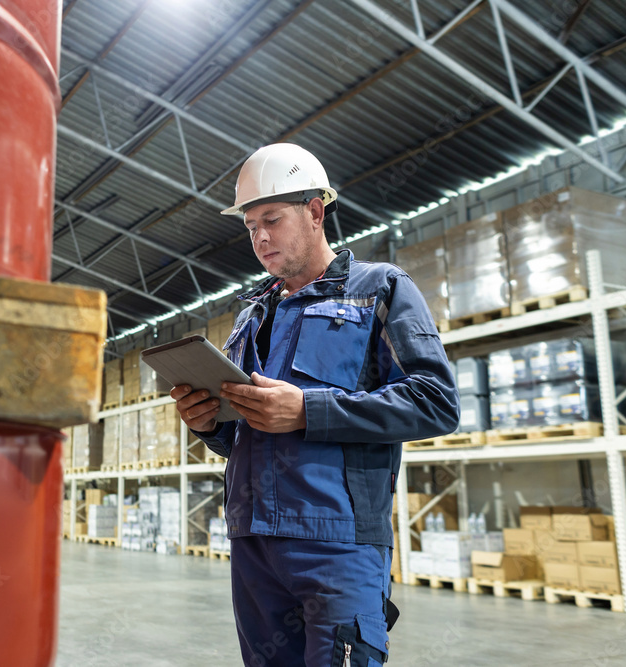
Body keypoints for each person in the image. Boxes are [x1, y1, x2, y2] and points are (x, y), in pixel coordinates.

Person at [172, 143, 459, 666]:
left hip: (337, 543)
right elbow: (238, 437)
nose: (259, 237)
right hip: (253, 543)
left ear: (314, 212)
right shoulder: (249, 320)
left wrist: (309, 410)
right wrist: (207, 424)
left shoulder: (380, 290)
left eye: (272, 220)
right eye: (250, 224)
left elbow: (435, 401)